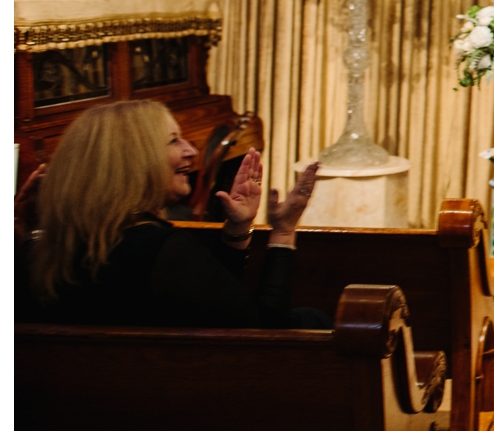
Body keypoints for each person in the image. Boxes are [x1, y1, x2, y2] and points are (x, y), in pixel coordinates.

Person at [17, 99, 318, 329]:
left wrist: (237, 228)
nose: (191, 151)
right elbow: (263, 332)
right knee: (312, 321)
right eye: (174, 141)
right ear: (134, 160)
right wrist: (283, 233)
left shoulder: (38, 252)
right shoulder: (160, 250)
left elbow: (210, 297)